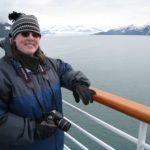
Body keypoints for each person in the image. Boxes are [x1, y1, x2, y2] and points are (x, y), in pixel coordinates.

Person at [0, 11, 95, 150]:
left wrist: (78, 82)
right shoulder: (3, 72)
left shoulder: (48, 64)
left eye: (35, 34)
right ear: (13, 38)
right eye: (25, 33)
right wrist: (34, 129)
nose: (31, 37)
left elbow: (66, 71)